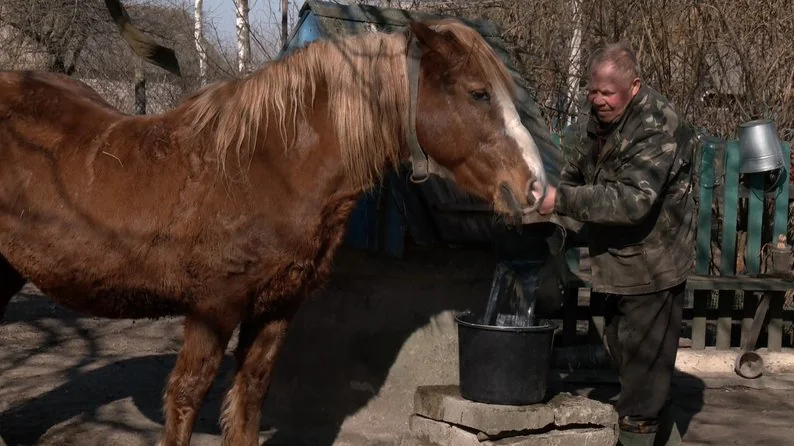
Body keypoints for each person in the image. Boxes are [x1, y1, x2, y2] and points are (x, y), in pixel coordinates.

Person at [534, 42, 697, 446]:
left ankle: (640, 436)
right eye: (593, 90)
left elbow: (631, 201)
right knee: (633, 366)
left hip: (653, 266)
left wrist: (562, 201)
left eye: (608, 92)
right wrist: (552, 221)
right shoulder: (594, 122)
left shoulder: (659, 124)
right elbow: (573, 174)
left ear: (634, 87)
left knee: (642, 387)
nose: (598, 100)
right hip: (614, 262)